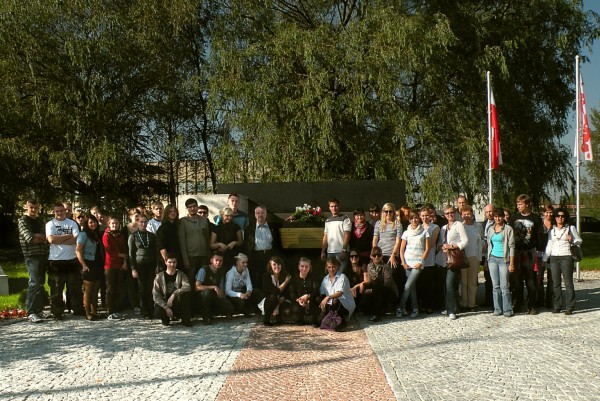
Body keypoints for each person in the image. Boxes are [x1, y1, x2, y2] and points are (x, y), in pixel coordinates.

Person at [46, 203, 84, 319]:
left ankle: (77, 309)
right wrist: (68, 236)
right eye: (57, 211)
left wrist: (59, 240)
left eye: (61, 210)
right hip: (56, 261)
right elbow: (51, 239)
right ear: (54, 212)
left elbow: (76, 239)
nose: (59, 213)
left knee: (75, 287)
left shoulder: (72, 223)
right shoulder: (50, 224)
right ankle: (57, 312)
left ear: (65, 211)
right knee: (56, 288)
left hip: (72, 260)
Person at [543, 208, 582, 315]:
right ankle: (557, 306)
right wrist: (545, 259)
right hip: (554, 257)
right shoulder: (552, 230)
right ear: (555, 218)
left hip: (566, 257)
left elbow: (579, 240)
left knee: (568, 283)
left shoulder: (570, 228)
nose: (560, 218)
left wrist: (572, 240)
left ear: (565, 217)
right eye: (558, 216)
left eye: (562, 216)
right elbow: (549, 245)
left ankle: (570, 306)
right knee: (556, 283)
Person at [509, 194, 543, 315]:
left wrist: (538, 252)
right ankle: (518, 304)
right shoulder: (514, 218)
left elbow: (539, 236)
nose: (518, 206)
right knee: (517, 281)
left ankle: (532, 305)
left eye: (520, 204)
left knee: (531, 281)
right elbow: (509, 234)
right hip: (517, 252)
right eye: (517, 204)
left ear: (527, 204)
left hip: (530, 253)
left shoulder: (536, 218)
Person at [18, 200, 49, 323]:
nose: (33, 210)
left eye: (35, 207)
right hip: (31, 255)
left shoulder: (40, 221)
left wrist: (39, 236)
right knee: (33, 283)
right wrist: (40, 237)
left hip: (42, 254)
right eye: (31, 207)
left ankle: (38, 310)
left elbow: (47, 237)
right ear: (26, 207)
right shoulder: (23, 221)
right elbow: (29, 238)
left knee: (40, 283)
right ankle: (30, 312)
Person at [396, 209, 430, 318]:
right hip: (407, 262)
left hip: (417, 263)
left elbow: (427, 248)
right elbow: (402, 249)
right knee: (412, 287)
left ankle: (400, 307)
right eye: (411, 218)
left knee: (407, 286)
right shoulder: (406, 232)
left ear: (418, 218)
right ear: (409, 220)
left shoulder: (424, 231)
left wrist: (421, 262)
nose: (414, 220)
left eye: (415, 218)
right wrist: (403, 262)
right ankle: (415, 308)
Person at [438, 205, 468, 320]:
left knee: (449, 284)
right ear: (444, 215)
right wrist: (442, 247)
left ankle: (452, 310)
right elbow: (440, 243)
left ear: (455, 213)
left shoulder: (459, 225)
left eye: (452, 212)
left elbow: (465, 242)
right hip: (443, 259)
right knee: (446, 285)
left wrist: (451, 246)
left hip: (454, 259)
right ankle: (448, 306)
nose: (450, 215)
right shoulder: (443, 228)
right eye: (447, 213)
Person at [486, 208, 515, 317]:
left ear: (503, 217)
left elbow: (511, 247)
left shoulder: (508, 229)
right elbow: (489, 244)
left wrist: (511, 263)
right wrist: (487, 260)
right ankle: (497, 308)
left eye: (499, 216)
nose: (497, 219)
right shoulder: (490, 229)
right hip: (492, 259)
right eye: (495, 217)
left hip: (504, 259)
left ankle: (507, 309)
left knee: (504, 286)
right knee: (495, 286)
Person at [244, 205, 281, 289]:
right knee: (257, 278)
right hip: (256, 257)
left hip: (270, 256)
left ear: (266, 214)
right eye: (258, 213)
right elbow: (246, 245)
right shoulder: (249, 228)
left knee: (270, 277)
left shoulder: (273, 227)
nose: (260, 215)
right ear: (255, 215)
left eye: (262, 213)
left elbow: (277, 243)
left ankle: (270, 294)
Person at [76, 214, 104, 321]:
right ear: (87, 224)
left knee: (96, 289)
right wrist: (83, 264)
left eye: (94, 222)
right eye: (90, 222)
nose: (93, 224)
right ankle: (87, 313)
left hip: (98, 263)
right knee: (88, 290)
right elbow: (78, 250)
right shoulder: (83, 235)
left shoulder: (97, 234)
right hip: (88, 263)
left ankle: (94, 311)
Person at [129, 214, 158, 319]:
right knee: (142, 288)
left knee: (150, 287)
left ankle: (151, 309)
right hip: (139, 265)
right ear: (137, 223)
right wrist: (133, 268)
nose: (143, 224)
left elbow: (155, 252)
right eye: (141, 222)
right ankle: (144, 310)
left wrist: (157, 265)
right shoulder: (133, 236)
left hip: (150, 264)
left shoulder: (151, 236)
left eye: (145, 222)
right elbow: (131, 253)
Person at [359, 247, 398, 323]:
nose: (376, 257)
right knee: (364, 302)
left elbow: (387, 284)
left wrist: (372, 290)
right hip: (376, 291)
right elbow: (369, 281)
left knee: (376, 287)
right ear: (371, 256)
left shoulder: (385, 267)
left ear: (381, 256)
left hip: (389, 292)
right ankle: (378, 309)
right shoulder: (369, 266)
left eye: (379, 255)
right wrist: (361, 284)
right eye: (374, 255)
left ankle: (377, 315)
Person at [152, 254, 192, 327]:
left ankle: (185, 319)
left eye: (174, 262)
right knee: (158, 312)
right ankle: (166, 318)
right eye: (170, 262)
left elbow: (187, 287)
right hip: (165, 302)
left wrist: (174, 294)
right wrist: (166, 307)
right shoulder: (159, 277)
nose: (172, 265)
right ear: (166, 262)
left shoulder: (181, 274)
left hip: (176, 301)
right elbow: (156, 295)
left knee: (186, 294)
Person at [195, 251, 234, 325]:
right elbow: (197, 287)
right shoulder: (203, 270)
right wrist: (213, 287)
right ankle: (206, 317)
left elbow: (221, 287)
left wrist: (222, 294)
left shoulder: (221, 271)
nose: (218, 263)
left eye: (220, 261)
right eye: (216, 260)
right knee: (206, 293)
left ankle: (212, 312)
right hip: (202, 296)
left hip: (215, 295)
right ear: (211, 260)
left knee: (230, 308)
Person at [179, 198, 211, 284]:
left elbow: (207, 238)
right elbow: (182, 241)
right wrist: (185, 259)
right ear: (187, 208)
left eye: (194, 206)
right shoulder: (183, 221)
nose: (192, 208)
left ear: (197, 207)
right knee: (190, 280)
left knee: (203, 280)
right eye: (190, 207)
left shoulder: (204, 220)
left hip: (204, 256)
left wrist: (208, 255)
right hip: (191, 256)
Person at [318, 257, 355, 331]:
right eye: (329, 267)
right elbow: (322, 293)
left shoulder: (342, 277)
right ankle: (331, 318)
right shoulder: (325, 279)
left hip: (344, 304)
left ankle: (341, 322)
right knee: (319, 320)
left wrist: (328, 297)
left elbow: (339, 293)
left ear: (337, 266)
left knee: (335, 301)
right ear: (326, 267)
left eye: (333, 267)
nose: (331, 269)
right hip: (331, 305)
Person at [103, 216, 128, 320]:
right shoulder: (106, 235)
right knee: (110, 289)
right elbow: (109, 250)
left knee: (119, 288)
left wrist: (125, 262)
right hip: (110, 265)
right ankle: (110, 311)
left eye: (116, 223)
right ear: (109, 224)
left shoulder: (121, 235)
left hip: (120, 265)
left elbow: (125, 249)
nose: (114, 225)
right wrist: (121, 255)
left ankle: (117, 310)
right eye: (112, 223)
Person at [459, 205, 482, 312]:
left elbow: (482, 239)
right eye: (464, 214)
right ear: (461, 215)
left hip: (474, 256)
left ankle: (471, 304)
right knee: (464, 282)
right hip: (463, 256)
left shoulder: (478, 226)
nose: (467, 216)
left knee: (472, 281)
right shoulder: (460, 226)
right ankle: (464, 303)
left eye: (468, 213)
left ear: (472, 214)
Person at [416, 206, 439, 314]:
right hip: (418, 259)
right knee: (420, 284)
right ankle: (422, 305)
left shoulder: (434, 227)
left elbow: (431, 244)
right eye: (423, 216)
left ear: (430, 216)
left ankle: (429, 305)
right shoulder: (417, 227)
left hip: (429, 260)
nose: (424, 218)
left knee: (429, 284)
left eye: (426, 215)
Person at [320, 198, 351, 274]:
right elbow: (325, 237)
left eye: (336, 206)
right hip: (330, 252)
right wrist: (323, 251)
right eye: (332, 206)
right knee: (330, 275)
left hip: (341, 252)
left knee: (341, 275)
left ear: (339, 206)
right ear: (329, 208)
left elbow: (347, 235)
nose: (334, 208)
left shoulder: (345, 219)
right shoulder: (327, 221)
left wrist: (344, 250)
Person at [289, 257, 321, 326]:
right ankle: (300, 320)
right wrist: (299, 300)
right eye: (302, 266)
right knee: (296, 308)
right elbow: (292, 293)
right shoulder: (294, 279)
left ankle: (315, 320)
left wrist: (308, 297)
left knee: (318, 299)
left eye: (306, 266)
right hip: (299, 302)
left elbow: (316, 291)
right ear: (298, 267)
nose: (304, 268)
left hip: (311, 300)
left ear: (310, 268)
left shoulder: (313, 278)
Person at [261, 255, 292, 326]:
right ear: (270, 266)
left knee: (285, 309)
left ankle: (278, 317)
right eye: (274, 264)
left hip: (281, 300)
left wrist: (282, 299)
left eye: (278, 264)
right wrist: (285, 282)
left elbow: (288, 291)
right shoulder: (266, 276)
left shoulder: (285, 275)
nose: (277, 266)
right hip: (269, 301)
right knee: (273, 298)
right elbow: (275, 292)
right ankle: (267, 319)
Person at [372, 203, 402, 267]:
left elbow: (398, 241)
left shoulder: (398, 224)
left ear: (393, 212)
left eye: (390, 211)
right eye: (386, 211)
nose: (388, 213)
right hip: (379, 254)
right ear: (383, 212)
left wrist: (393, 255)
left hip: (392, 254)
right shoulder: (378, 223)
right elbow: (375, 239)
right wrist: (375, 253)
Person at [538, 204, 555, 308]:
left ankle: (549, 300)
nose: (549, 214)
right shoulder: (539, 224)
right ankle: (540, 299)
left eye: (550, 212)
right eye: (547, 212)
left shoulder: (555, 224)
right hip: (540, 253)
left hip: (553, 254)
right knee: (539, 278)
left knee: (551, 278)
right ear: (543, 213)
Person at [156, 204, 181, 272]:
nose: (173, 213)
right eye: (170, 211)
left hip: (177, 257)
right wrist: (166, 259)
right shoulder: (163, 228)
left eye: (174, 211)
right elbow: (161, 245)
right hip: (167, 260)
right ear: (166, 213)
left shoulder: (177, 226)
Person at [481, 204, 495, 307]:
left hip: (494, 254)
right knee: (487, 278)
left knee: (494, 279)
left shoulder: (499, 223)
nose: (488, 214)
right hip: (484, 254)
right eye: (486, 212)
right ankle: (488, 300)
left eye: (490, 211)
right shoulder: (483, 224)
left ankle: (496, 302)